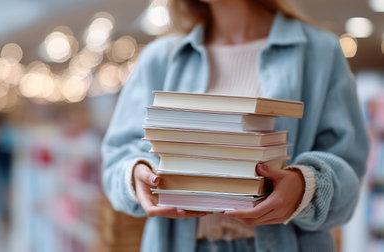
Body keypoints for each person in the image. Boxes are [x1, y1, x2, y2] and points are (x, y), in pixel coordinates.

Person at [101, 0, 369, 251]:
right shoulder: (160, 58)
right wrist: (137, 173)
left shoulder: (319, 51)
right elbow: (117, 156)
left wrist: (304, 186)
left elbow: (348, 166)